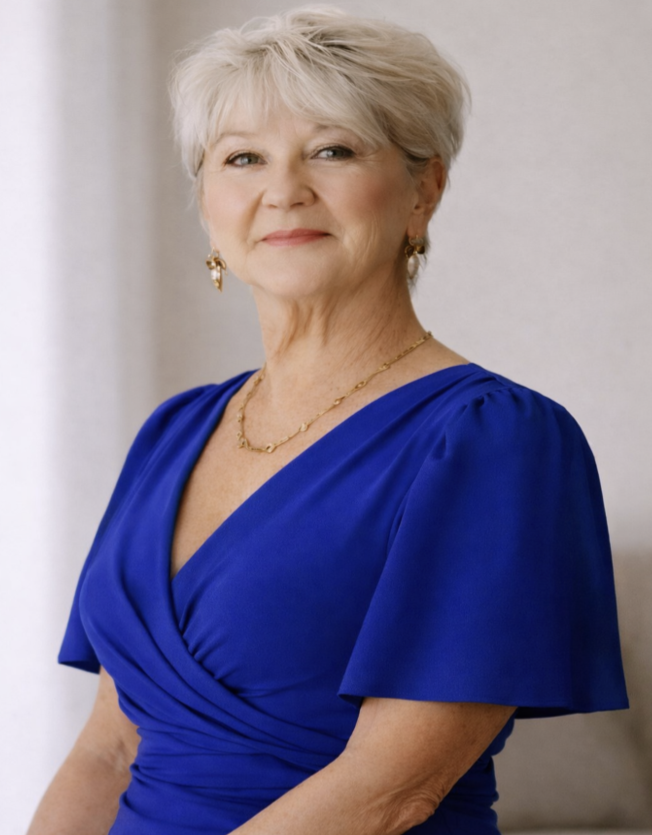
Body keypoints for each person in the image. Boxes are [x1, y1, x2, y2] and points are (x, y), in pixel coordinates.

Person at [28, 6, 629, 835]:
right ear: (208, 203)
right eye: (243, 157)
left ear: (425, 188)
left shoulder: (497, 438)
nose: (284, 190)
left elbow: (393, 788)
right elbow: (108, 750)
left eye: (332, 150)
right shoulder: (173, 433)